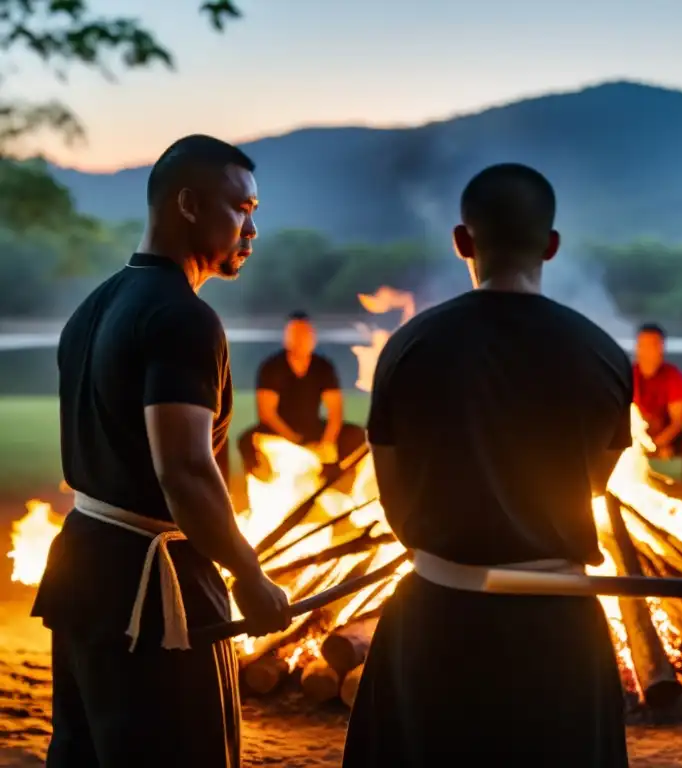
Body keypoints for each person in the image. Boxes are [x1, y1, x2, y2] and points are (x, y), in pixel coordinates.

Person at [342, 163, 633, 767]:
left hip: (439, 620)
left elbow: (392, 493)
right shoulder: (601, 354)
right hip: (558, 629)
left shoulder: (409, 348)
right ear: (551, 245)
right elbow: (594, 484)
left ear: (462, 241)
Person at [31, 134, 292, 768]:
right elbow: (185, 470)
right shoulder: (183, 318)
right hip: (153, 594)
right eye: (241, 208)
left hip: (84, 570)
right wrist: (249, 576)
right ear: (188, 205)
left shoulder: (94, 307)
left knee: (85, 754)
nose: (252, 227)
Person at [236, 311, 366, 479]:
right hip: (279, 429)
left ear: (313, 338)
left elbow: (335, 412)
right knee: (247, 440)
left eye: (305, 333)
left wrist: (326, 443)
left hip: (312, 426)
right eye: (295, 334)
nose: (301, 339)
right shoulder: (272, 367)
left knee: (356, 435)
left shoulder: (323, 367)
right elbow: (267, 414)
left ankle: (334, 478)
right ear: (286, 338)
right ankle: (264, 480)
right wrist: (294, 441)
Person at [633, 322, 682, 487]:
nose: (646, 351)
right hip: (633, 441)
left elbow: (678, 421)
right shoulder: (628, 375)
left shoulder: (673, 376)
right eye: (642, 345)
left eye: (652, 345)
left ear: (661, 348)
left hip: (666, 438)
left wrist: (659, 444)